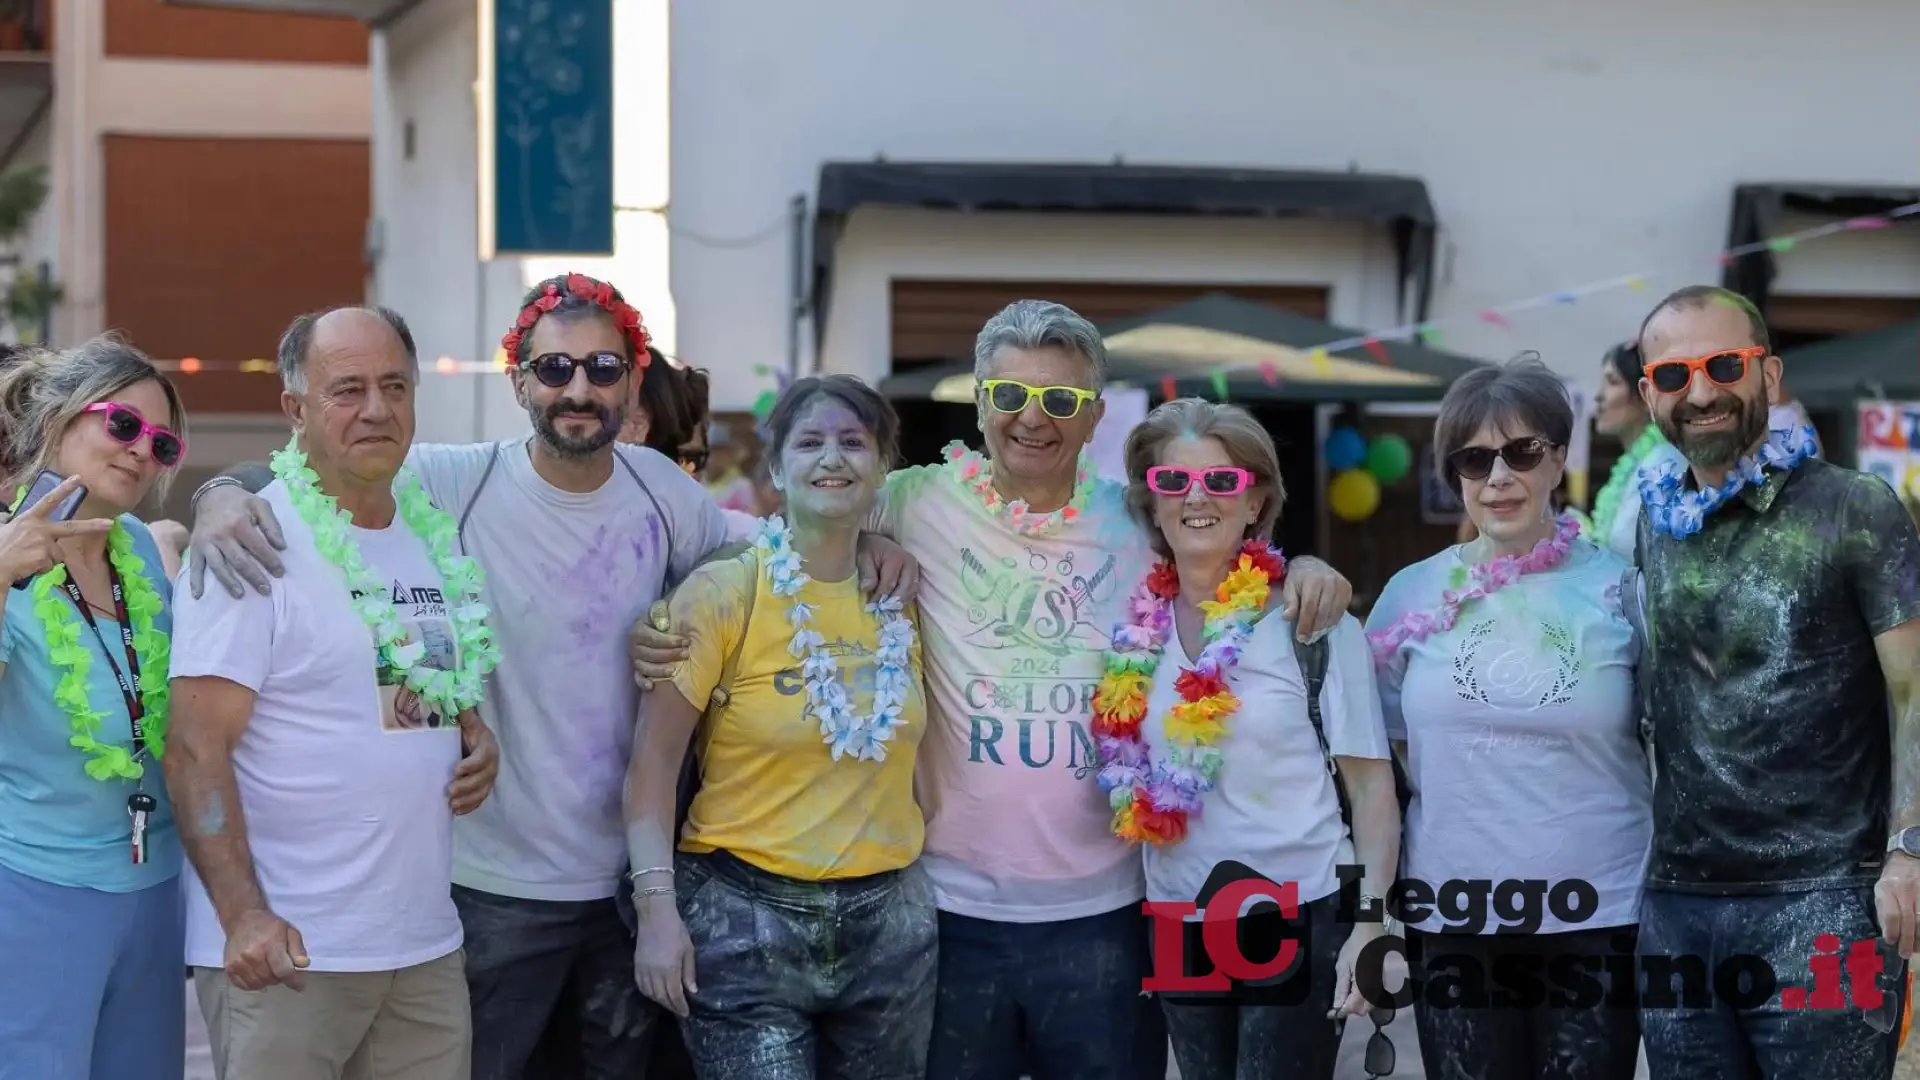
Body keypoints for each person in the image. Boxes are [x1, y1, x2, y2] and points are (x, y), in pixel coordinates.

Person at [183, 273, 916, 1080]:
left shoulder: (665, 492)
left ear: (632, 380)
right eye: (556, 368)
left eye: (603, 370)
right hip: (486, 886)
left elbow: (779, 548)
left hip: (624, 885)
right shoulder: (452, 481)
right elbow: (321, 471)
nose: (579, 388)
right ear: (520, 380)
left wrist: (871, 544)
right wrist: (219, 493)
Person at [632, 299, 1356, 1080]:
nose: (1031, 418)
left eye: (1060, 400)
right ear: (978, 403)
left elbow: (1223, 542)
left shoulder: (1138, 520)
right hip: (951, 916)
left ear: (1094, 416)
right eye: (1008, 395)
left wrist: (1307, 570)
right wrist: (671, 613)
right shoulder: (909, 502)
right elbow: (793, 524)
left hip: (1106, 917)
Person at [165, 306, 502, 1079]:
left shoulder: (430, 538)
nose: (376, 408)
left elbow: (406, 680)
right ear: (295, 409)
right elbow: (193, 749)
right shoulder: (252, 543)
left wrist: (471, 730)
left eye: (394, 385)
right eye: (346, 389)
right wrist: (243, 916)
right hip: (287, 953)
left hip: (422, 947)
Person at [1630, 284, 1920, 1079]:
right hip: (1678, 908)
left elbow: (1914, 690)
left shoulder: (1853, 507)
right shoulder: (1650, 523)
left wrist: (1911, 852)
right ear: (1648, 392)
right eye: (1673, 374)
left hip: (1830, 906)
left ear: (1771, 375)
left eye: (1726, 364)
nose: (1701, 392)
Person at [625, 373, 936, 1077]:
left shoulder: (902, 595)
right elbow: (650, 771)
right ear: (776, 467)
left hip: (891, 926)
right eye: (811, 443)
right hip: (746, 919)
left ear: (882, 465)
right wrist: (657, 914)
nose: (833, 459)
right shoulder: (725, 589)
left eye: (853, 443)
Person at [1365, 355, 1648, 1080]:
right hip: (1455, 912)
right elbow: (1389, 754)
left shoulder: (1620, 587)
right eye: (1474, 459)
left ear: (1559, 459)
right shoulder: (1410, 592)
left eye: (1522, 452)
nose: (1498, 477)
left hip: (1597, 911)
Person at [1104, 398, 1398, 1080]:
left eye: (1222, 481)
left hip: (1296, 912)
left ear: (1256, 496)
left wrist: (1371, 924)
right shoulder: (1129, 625)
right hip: (1178, 911)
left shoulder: (1314, 625)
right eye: (1173, 481)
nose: (1195, 498)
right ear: (1151, 500)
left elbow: (1372, 790)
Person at [0, 338, 189, 1080]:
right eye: (122, 425)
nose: (142, 450)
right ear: (59, 418)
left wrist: (221, 495)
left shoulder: (138, 546)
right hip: (36, 890)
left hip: (152, 885)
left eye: (161, 441)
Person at [1586, 339, 1686, 563]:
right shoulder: (1638, 461)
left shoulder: (1664, 464)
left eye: (1612, 381)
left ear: (1644, 393)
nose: (1599, 396)